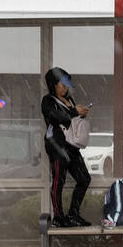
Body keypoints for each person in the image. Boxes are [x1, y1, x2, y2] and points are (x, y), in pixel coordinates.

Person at [41, 66, 92, 227]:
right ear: (53, 84)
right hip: (57, 147)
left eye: (66, 84)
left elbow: (72, 119)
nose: (65, 87)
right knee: (58, 180)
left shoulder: (70, 100)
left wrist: (81, 112)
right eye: (62, 84)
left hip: (72, 145)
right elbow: (57, 117)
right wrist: (73, 111)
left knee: (84, 178)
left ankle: (73, 214)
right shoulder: (48, 100)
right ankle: (58, 217)